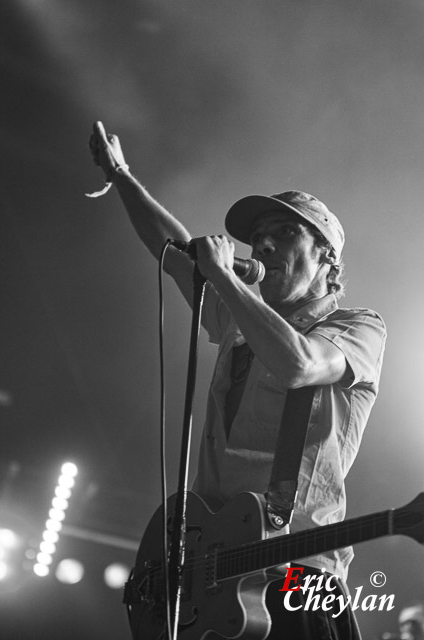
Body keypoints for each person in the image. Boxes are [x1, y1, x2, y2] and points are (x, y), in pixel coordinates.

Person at [88, 121, 386, 639]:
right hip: (210, 574)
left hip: (297, 571)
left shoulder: (357, 326)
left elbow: (299, 365)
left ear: (326, 261)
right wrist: (122, 176)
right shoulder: (239, 323)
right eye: (258, 235)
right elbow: (174, 250)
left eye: (285, 231)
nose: (263, 242)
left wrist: (225, 279)